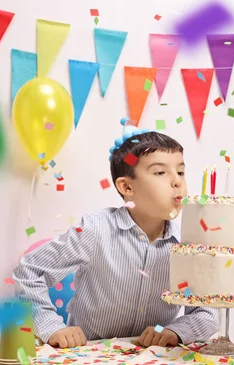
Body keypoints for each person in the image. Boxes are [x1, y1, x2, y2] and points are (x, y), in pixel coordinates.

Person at [13, 122, 218, 349]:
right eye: (160, 172)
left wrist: (174, 331)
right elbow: (28, 272)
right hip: (86, 360)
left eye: (180, 171)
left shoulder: (187, 246)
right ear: (127, 187)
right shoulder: (94, 229)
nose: (177, 181)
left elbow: (206, 313)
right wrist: (51, 327)